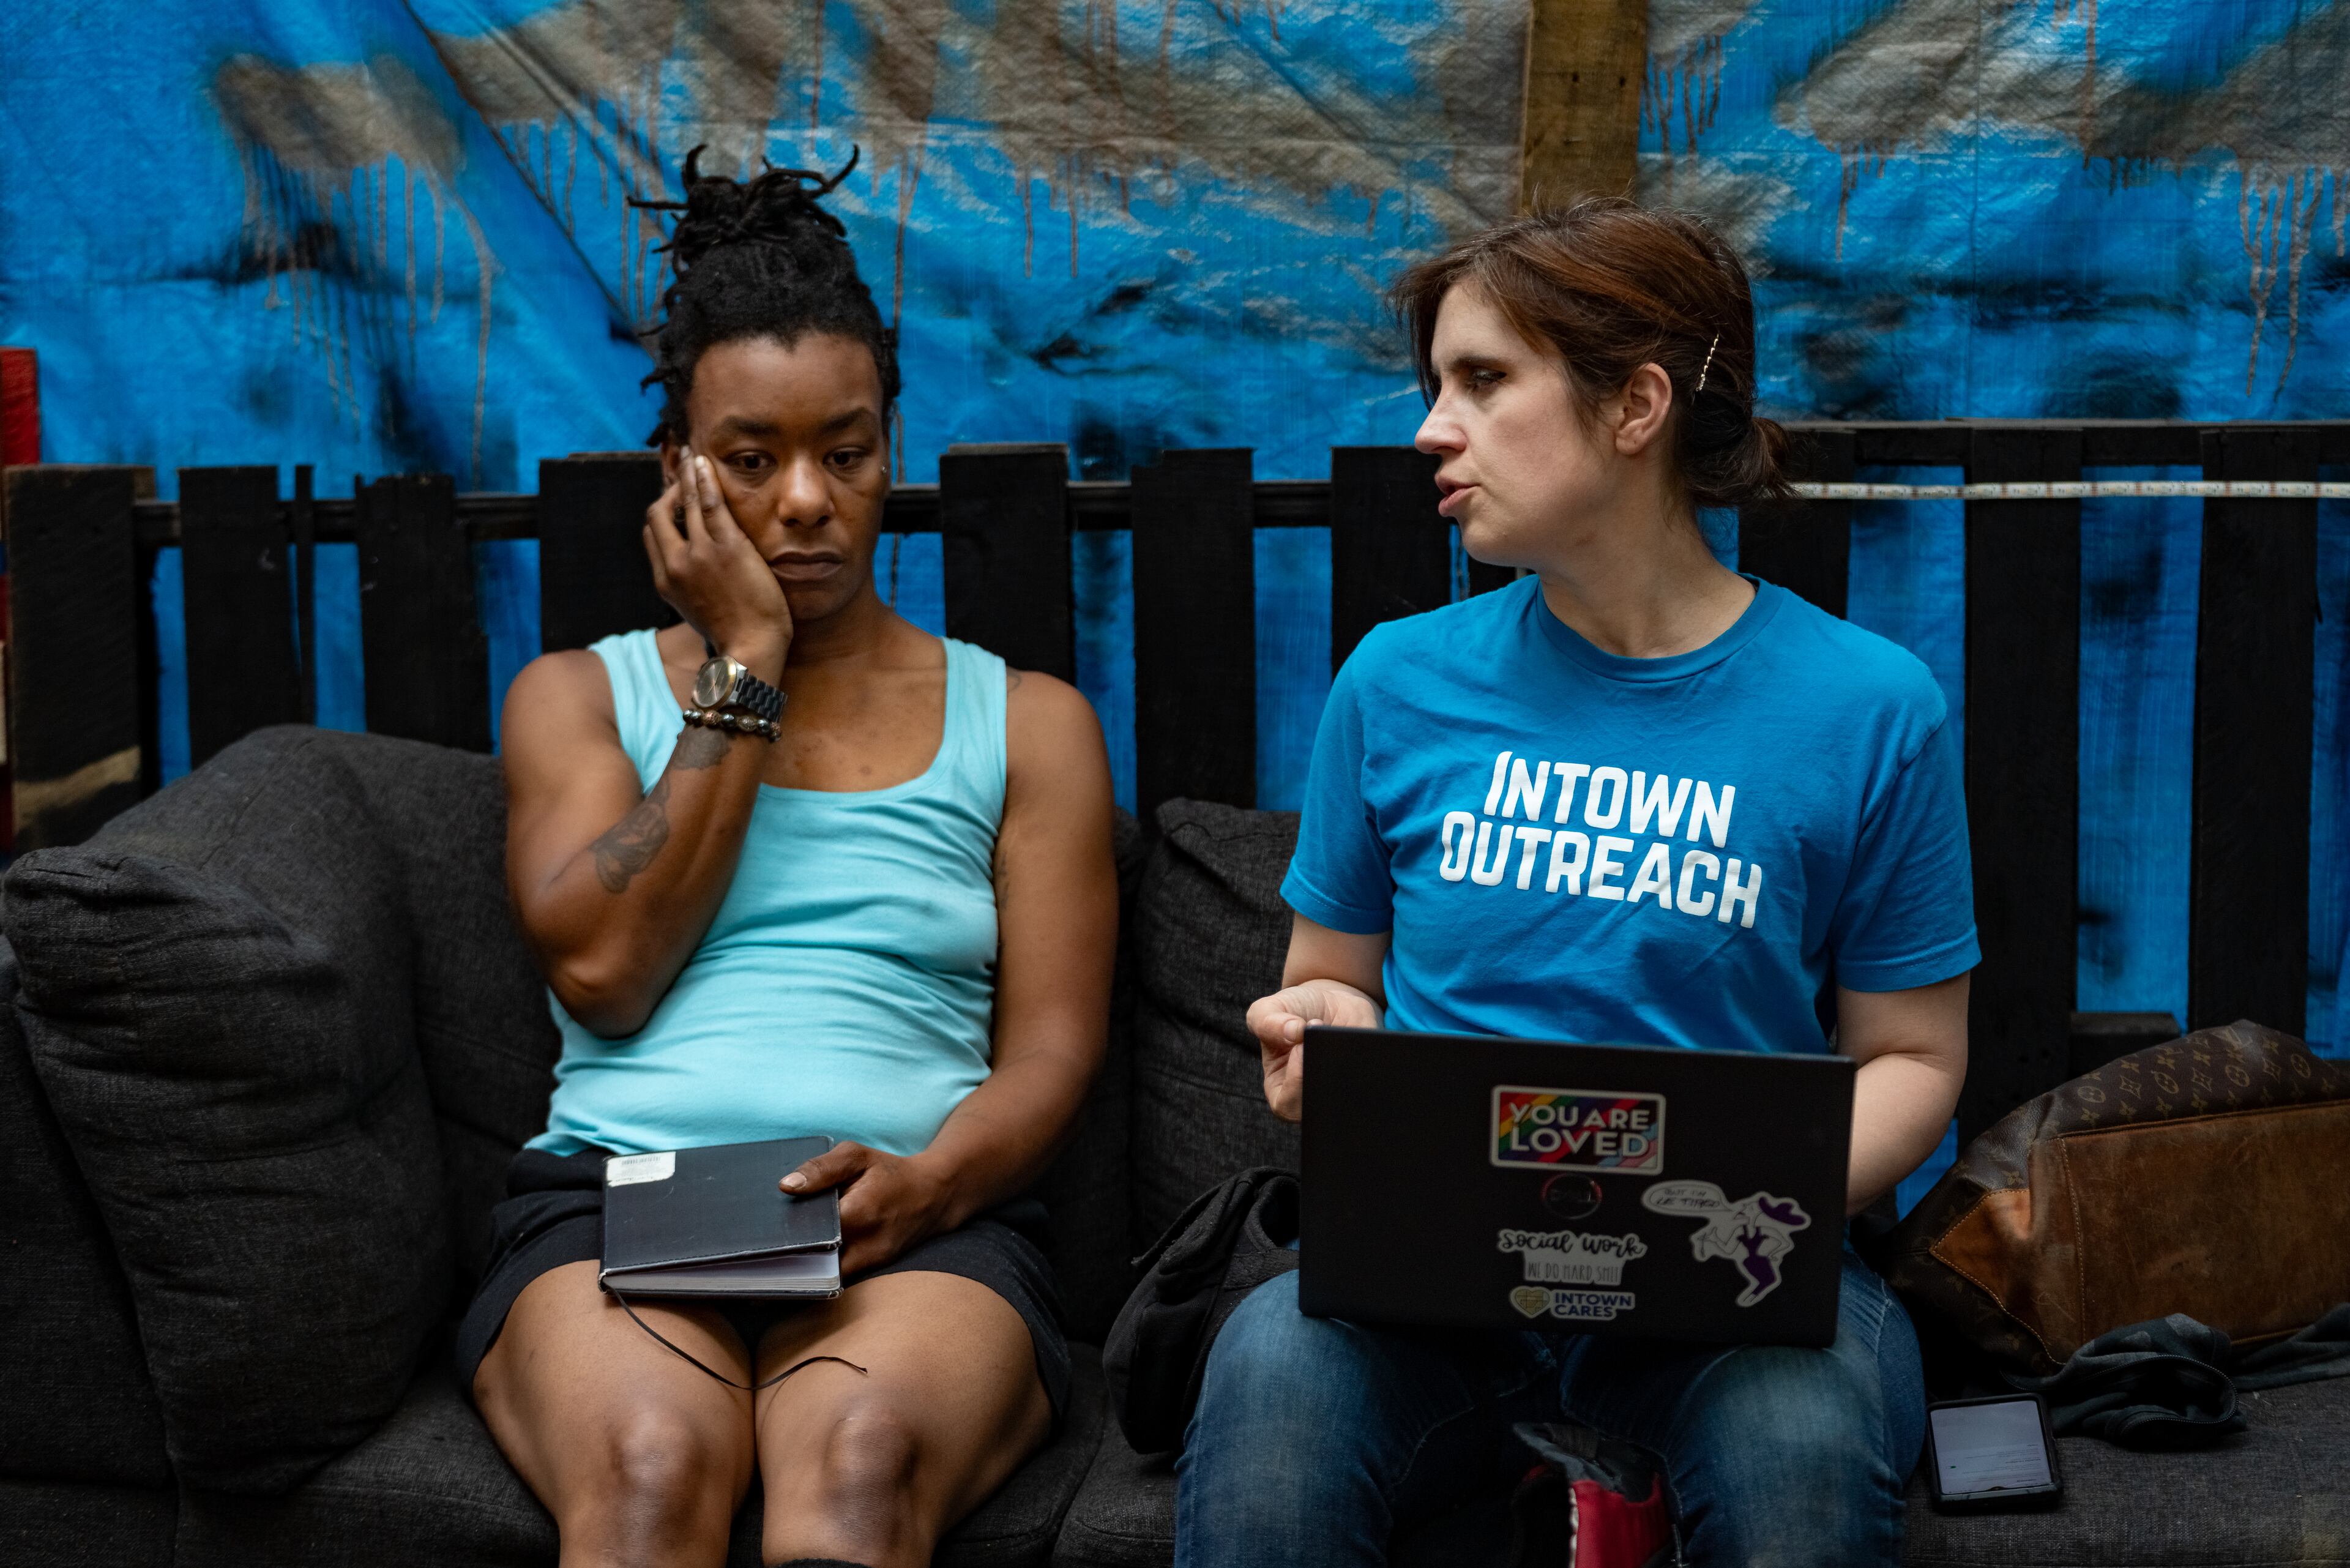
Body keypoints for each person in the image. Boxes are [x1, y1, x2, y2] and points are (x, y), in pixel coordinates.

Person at [1176, 199, 1977, 1567]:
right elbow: (1327, 976)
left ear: (1637, 405)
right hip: (1427, 1295)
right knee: (1270, 1378)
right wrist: (1320, 1035)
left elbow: (1912, 1055)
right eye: (1436, 387)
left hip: (1736, 1290)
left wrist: (1745, 1203)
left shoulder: (1868, 708)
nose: (1434, 428)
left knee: (1797, 1448)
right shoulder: (1397, 681)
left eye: (1483, 382)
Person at [460, 151, 1117, 1568]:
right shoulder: (582, 698)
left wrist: (928, 1184)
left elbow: (1052, 1058)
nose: (808, 501)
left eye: (848, 449)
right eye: (753, 461)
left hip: (921, 1218)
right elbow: (606, 969)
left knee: (860, 1475)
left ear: (892, 449)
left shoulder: (1030, 726)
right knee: (647, 1475)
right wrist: (744, 667)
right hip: (624, 1204)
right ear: (679, 477)